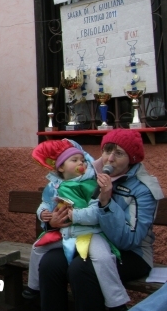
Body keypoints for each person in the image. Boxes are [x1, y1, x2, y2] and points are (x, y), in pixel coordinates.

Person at [39, 129, 164, 311]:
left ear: (132, 158)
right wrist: (53, 222)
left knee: (81, 270)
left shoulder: (143, 189)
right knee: (51, 263)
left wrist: (105, 203)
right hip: (86, 240)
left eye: (119, 153)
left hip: (132, 254)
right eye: (107, 150)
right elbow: (57, 199)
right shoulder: (88, 174)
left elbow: (129, 240)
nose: (109, 159)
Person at [23, 139, 129, 309]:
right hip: (65, 233)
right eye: (74, 160)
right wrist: (43, 214)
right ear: (61, 167)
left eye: (82, 160)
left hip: (90, 233)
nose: (81, 162)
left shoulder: (90, 185)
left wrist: (75, 215)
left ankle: (116, 301)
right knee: (38, 248)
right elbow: (44, 204)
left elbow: (96, 212)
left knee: (103, 257)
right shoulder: (53, 186)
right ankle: (33, 287)